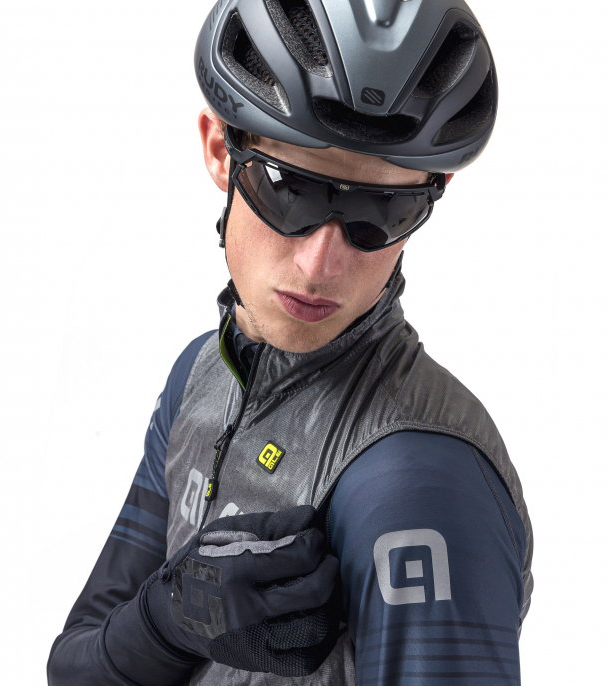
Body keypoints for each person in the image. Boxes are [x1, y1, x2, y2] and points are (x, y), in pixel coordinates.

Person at [47, 1, 534, 684]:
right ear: (219, 150)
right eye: (288, 190)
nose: (319, 264)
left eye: (380, 211)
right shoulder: (202, 376)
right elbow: (73, 670)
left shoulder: (419, 482)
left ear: (433, 194)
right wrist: (168, 621)